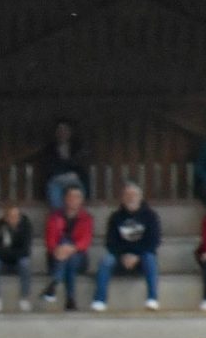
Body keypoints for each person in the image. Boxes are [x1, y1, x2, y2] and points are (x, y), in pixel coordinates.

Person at [91, 182, 161, 312]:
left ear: (140, 197)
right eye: (127, 195)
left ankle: (152, 298)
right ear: (122, 198)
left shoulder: (151, 216)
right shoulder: (115, 217)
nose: (131, 198)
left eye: (134, 195)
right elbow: (110, 242)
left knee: (150, 258)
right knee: (105, 261)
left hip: (142, 259)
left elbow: (153, 242)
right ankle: (100, 300)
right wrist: (123, 255)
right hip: (120, 259)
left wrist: (136, 255)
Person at [45, 190, 92, 311]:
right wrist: (57, 250)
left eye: (77, 197)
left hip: (79, 257)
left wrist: (71, 249)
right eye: (70, 197)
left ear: (81, 200)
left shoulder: (86, 218)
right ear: (65, 199)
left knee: (71, 257)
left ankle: (55, 282)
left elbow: (85, 241)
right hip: (57, 256)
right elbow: (50, 239)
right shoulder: (54, 217)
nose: (73, 200)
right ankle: (70, 300)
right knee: (67, 256)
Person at [0, 202, 34, 311]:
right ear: (5, 218)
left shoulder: (26, 226)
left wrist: (5, 252)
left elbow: (26, 251)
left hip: (18, 262)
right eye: (11, 216)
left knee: (25, 263)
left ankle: (24, 298)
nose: (14, 219)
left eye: (16, 216)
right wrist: (10, 253)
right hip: (2, 262)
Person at [34, 119, 87, 211]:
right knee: (55, 197)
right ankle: (59, 220)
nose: (63, 133)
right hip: (56, 179)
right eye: (60, 130)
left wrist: (73, 172)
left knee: (77, 196)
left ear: (70, 132)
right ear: (56, 133)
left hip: (73, 179)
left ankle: (75, 219)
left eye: (65, 130)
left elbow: (80, 165)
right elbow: (49, 166)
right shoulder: (49, 149)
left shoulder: (77, 147)